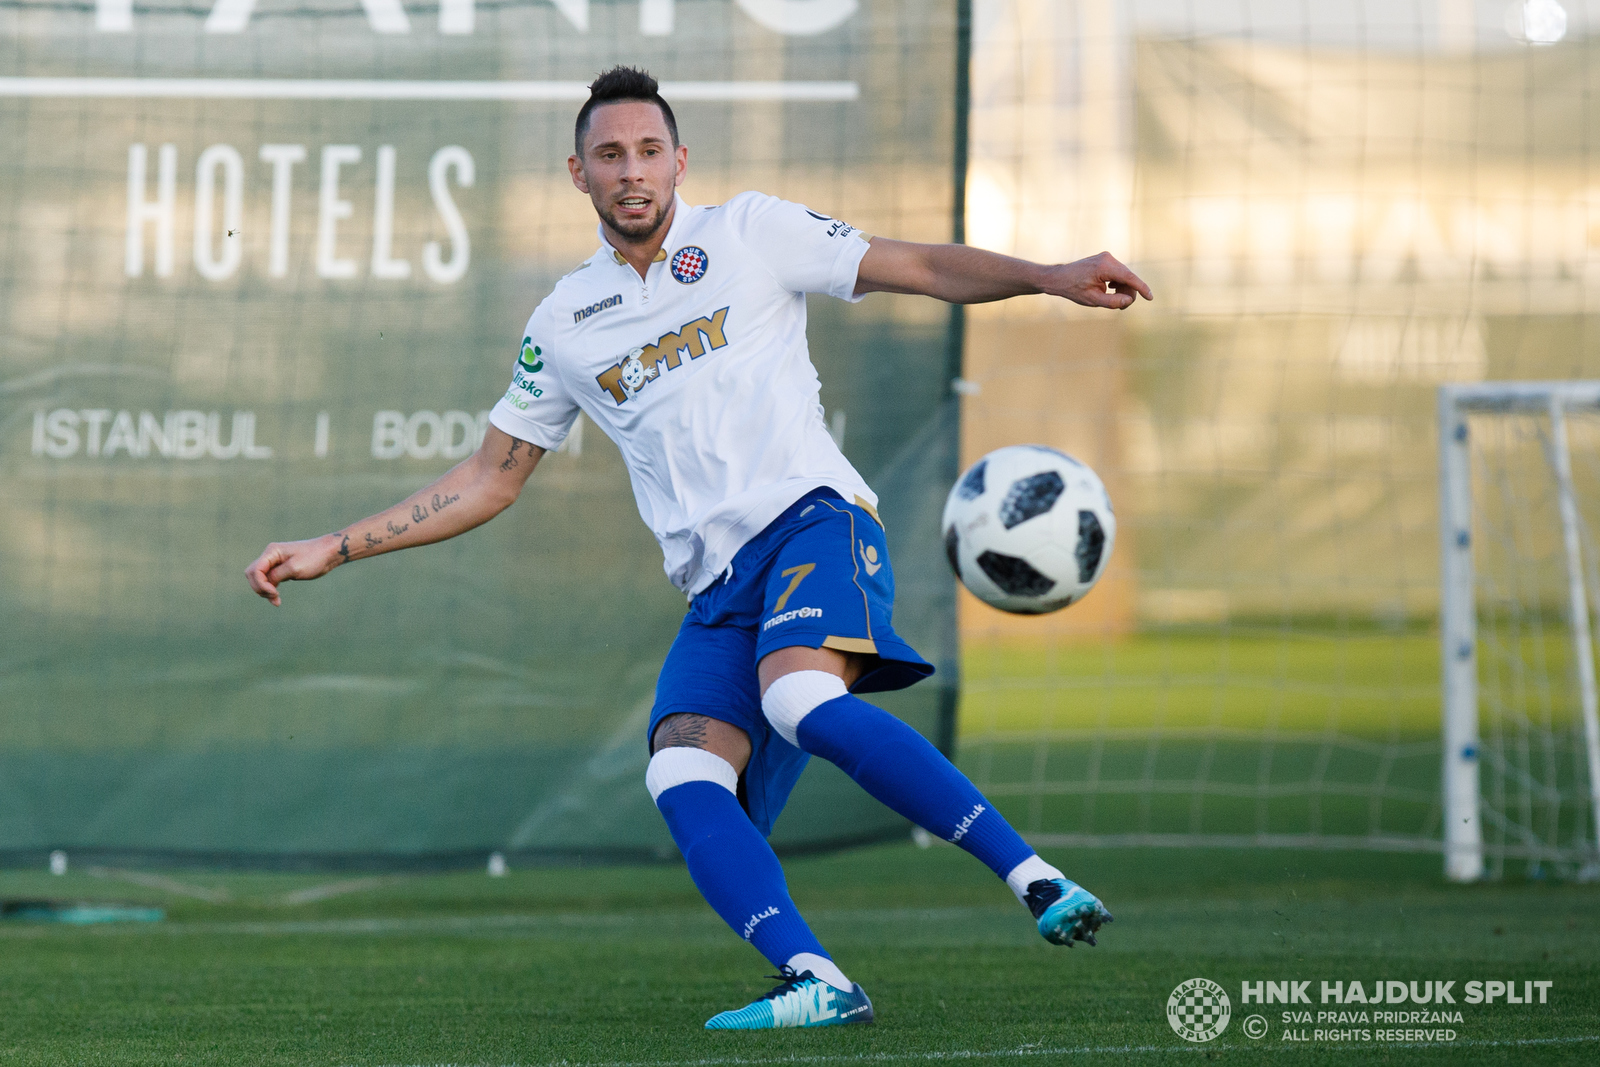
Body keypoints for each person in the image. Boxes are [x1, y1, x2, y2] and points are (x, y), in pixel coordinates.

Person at [246, 66, 1153, 1031]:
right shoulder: (563, 323)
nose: (631, 172)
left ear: (679, 162)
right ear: (578, 175)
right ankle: (817, 978)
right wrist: (334, 546)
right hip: (718, 587)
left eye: (648, 152)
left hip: (816, 522)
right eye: (609, 156)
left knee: (798, 695)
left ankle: (1035, 876)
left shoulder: (751, 233)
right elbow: (489, 479)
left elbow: (921, 267)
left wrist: (1050, 276)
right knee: (679, 774)